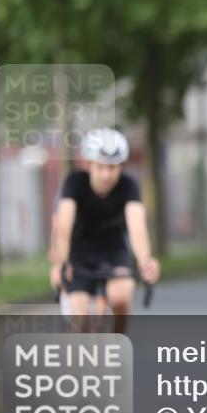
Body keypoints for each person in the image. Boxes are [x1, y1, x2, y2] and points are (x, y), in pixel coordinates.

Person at [49, 128, 160, 333]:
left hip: (113, 250)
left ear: (121, 166)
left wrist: (146, 262)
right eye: (101, 167)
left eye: (113, 168)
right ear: (89, 164)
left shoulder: (129, 185)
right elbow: (63, 226)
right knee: (79, 316)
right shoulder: (75, 183)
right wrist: (60, 263)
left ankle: (117, 342)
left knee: (121, 295)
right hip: (79, 252)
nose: (107, 174)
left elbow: (137, 227)